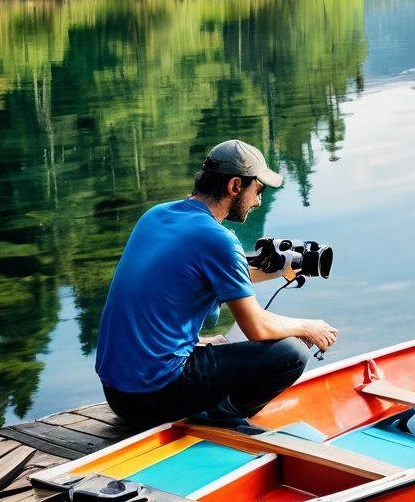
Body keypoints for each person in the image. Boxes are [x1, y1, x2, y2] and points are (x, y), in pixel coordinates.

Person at [95, 140, 339, 433]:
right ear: (236, 186)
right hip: (152, 397)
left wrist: (279, 270)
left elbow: (213, 273)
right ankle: (221, 417)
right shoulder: (218, 239)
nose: (258, 201)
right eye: (257, 190)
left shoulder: (157, 215)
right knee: (291, 354)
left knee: (219, 341)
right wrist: (309, 327)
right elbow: (257, 328)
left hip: (118, 393)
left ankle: (209, 402)